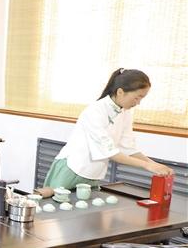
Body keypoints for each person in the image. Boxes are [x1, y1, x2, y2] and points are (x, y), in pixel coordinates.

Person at [42, 68, 173, 193]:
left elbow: (128, 148)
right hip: (72, 169)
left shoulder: (125, 112)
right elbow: (110, 152)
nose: (138, 103)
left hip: (94, 174)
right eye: (137, 97)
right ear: (120, 92)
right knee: (56, 207)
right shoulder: (95, 111)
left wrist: (155, 164)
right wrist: (147, 166)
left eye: (142, 98)